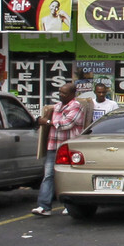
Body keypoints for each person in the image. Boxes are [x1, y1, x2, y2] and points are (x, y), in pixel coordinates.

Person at [33, 82, 86, 216]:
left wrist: (48, 122)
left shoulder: (76, 106)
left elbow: (67, 123)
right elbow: (48, 119)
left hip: (67, 147)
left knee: (68, 176)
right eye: (60, 92)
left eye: (64, 93)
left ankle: (70, 205)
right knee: (49, 176)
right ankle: (44, 206)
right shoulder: (56, 106)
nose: (61, 95)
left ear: (72, 94)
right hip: (53, 145)